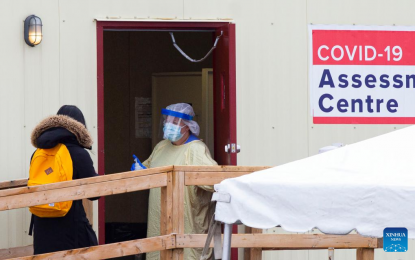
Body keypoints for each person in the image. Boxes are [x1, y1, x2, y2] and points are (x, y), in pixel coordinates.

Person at [143, 103, 217, 260]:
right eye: (167, 121)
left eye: (175, 122)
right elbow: (147, 168)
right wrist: (139, 169)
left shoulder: (196, 149)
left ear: (188, 126)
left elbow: (214, 180)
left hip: (186, 222)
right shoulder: (161, 146)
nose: (169, 125)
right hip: (159, 219)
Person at [29, 105, 99, 254]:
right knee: (91, 249)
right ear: (81, 126)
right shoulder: (79, 153)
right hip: (70, 228)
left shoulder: (38, 152)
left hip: (42, 230)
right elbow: (95, 194)